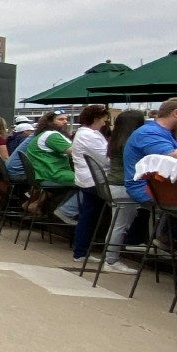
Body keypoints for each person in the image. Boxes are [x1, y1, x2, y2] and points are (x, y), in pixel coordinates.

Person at [101, 110, 147, 272]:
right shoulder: (132, 142)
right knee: (120, 226)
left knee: (117, 224)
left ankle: (110, 258)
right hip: (125, 186)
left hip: (113, 184)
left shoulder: (115, 140)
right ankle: (111, 261)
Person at [67, 104, 111, 261]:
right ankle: (81, 251)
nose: (105, 123)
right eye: (104, 120)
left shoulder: (85, 134)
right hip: (93, 180)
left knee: (88, 215)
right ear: (96, 118)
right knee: (89, 216)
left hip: (88, 179)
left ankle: (81, 251)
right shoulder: (89, 136)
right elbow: (106, 160)